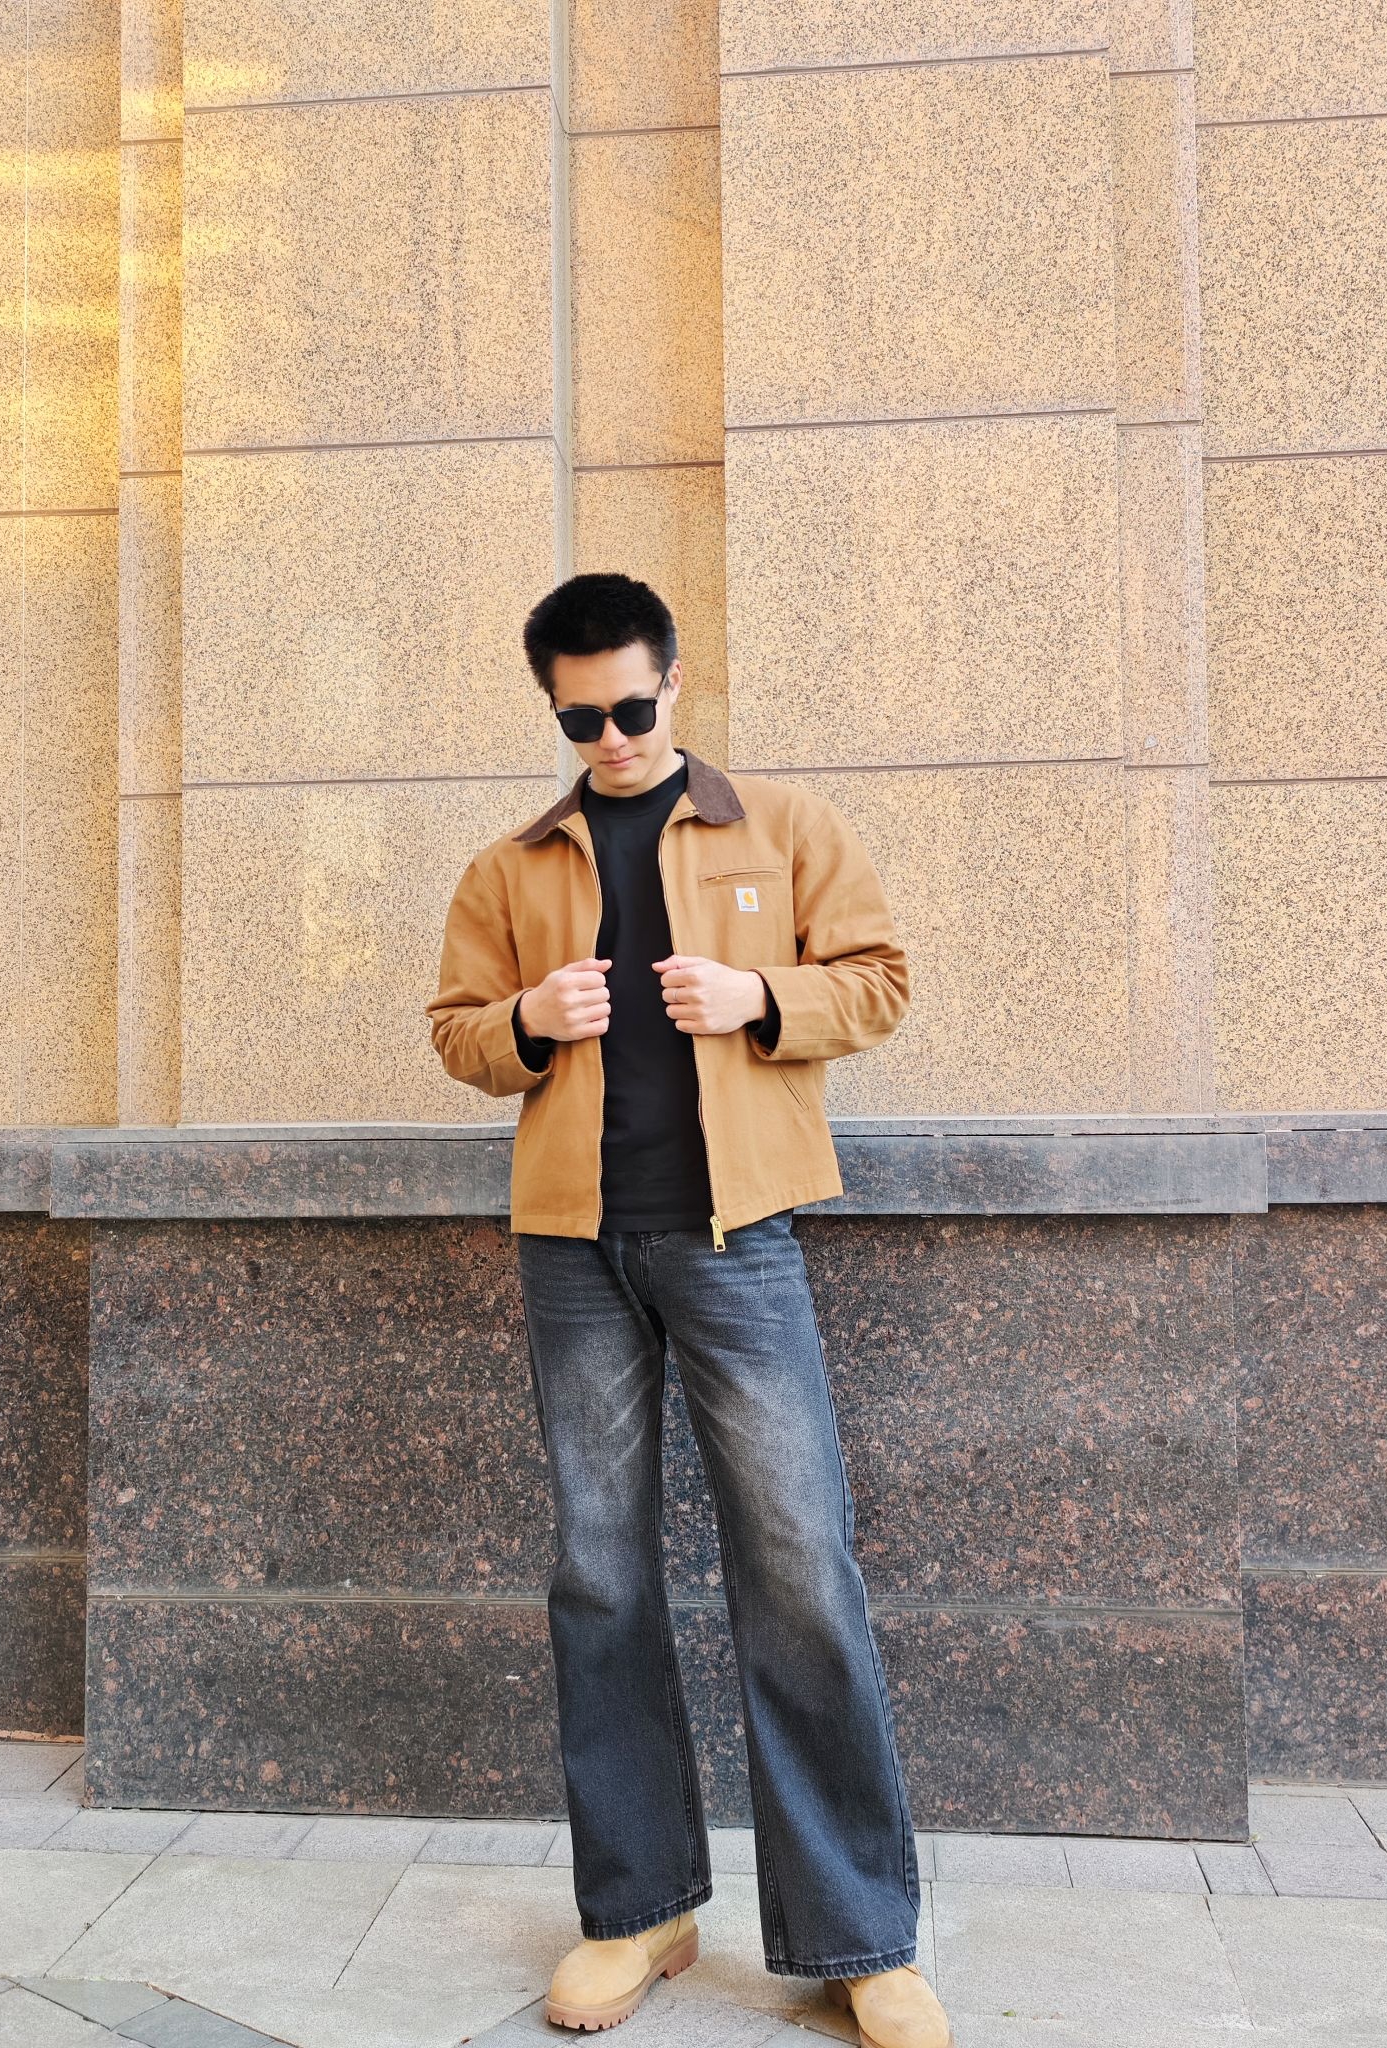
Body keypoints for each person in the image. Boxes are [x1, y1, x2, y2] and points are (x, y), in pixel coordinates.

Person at [426, 573, 950, 2048]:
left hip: (738, 1242)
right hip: (575, 1250)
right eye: (579, 717)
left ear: (675, 682)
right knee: (599, 1572)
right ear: (554, 710)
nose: (610, 736)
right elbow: (457, 1032)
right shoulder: (510, 868)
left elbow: (882, 981)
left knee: (799, 1565)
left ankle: (858, 1936)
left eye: (631, 706)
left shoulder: (782, 826)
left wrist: (762, 999)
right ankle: (638, 1910)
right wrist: (527, 1024)